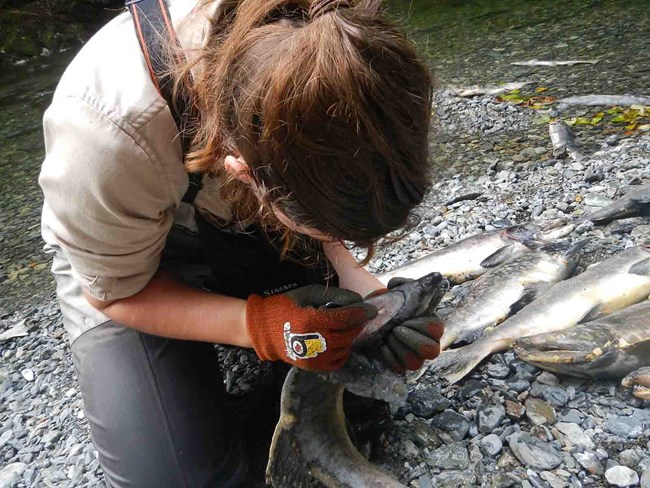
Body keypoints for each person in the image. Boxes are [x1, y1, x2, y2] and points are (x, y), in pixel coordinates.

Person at [38, 0, 444, 485]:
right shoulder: (104, 132)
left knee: (359, 380)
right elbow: (113, 292)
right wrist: (260, 326)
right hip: (124, 261)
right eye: (322, 228)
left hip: (252, 200)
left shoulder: (345, 35)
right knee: (176, 478)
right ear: (241, 174)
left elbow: (331, 198)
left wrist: (372, 303)